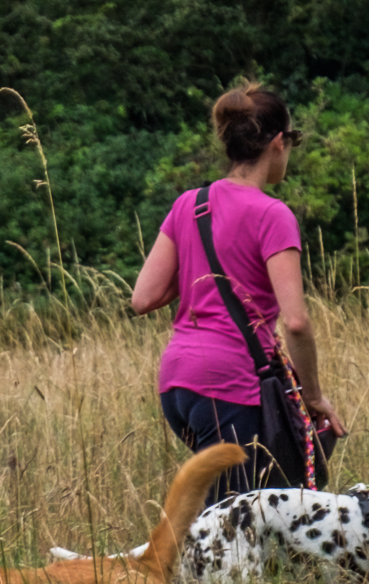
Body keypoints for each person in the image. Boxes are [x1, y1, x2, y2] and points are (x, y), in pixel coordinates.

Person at [132, 81, 346, 499]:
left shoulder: (190, 205)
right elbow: (297, 322)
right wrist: (314, 397)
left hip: (177, 385)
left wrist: (208, 262)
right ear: (279, 143)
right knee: (236, 525)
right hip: (229, 386)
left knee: (231, 512)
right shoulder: (273, 214)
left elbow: (143, 298)